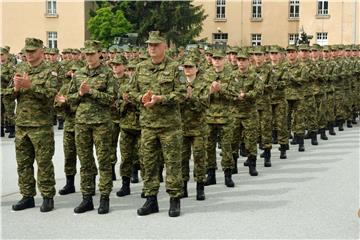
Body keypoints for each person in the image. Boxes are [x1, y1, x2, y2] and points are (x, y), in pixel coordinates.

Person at [129, 31, 185, 217]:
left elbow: (182, 94)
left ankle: (174, 199)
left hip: (170, 126)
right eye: (149, 45)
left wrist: (162, 98)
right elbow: (130, 91)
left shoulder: (175, 68)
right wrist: (140, 97)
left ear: (165, 47)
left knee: (172, 163)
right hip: (148, 126)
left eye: (156, 45)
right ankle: (151, 199)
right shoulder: (140, 68)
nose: (151, 48)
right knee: (149, 164)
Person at [7, 38, 57, 212]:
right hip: (22, 124)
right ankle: (27, 196)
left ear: (41, 52)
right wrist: (14, 89)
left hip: (41, 125)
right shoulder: (19, 69)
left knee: (43, 163)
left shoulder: (49, 71)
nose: (29, 54)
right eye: (26, 51)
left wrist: (30, 86)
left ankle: (47, 196)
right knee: (23, 163)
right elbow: (8, 95)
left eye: (32, 51)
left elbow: (51, 95)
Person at [68, 40, 116, 214]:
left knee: (103, 161)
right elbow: (70, 98)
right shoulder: (79, 74)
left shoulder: (107, 74)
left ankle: (104, 198)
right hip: (81, 123)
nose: (89, 57)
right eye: (86, 54)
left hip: (101, 123)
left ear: (99, 54)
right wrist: (80, 93)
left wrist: (91, 92)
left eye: (92, 54)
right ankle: (87, 198)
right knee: (85, 161)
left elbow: (112, 99)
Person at [179, 56, 207, 200]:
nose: (188, 70)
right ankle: (183, 186)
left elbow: (204, 104)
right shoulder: (178, 84)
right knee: (183, 158)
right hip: (182, 127)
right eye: (186, 67)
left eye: (191, 67)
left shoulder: (203, 84)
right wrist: (184, 98)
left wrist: (192, 98)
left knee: (199, 157)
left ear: (197, 68)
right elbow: (174, 103)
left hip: (198, 128)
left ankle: (200, 186)